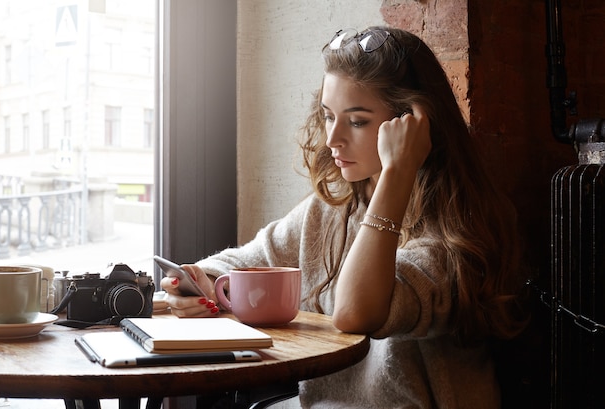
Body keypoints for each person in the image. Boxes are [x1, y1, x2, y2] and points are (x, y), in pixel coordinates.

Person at [162, 26, 528, 409]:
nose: (332, 138)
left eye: (356, 121)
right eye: (327, 116)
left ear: (411, 127)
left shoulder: (453, 236)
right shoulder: (334, 209)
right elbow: (253, 259)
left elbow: (356, 312)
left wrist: (398, 172)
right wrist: (203, 281)